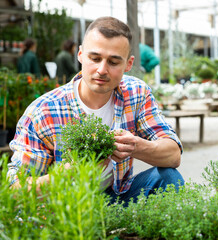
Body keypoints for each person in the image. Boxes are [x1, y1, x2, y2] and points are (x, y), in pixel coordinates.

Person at [7, 16, 184, 206]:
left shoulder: (137, 93)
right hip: (67, 208)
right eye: (95, 58)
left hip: (118, 197)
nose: (102, 70)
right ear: (81, 55)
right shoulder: (43, 111)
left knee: (168, 177)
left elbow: (173, 155)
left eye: (114, 62)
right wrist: (71, 171)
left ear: (128, 64)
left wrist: (136, 146)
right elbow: (16, 191)